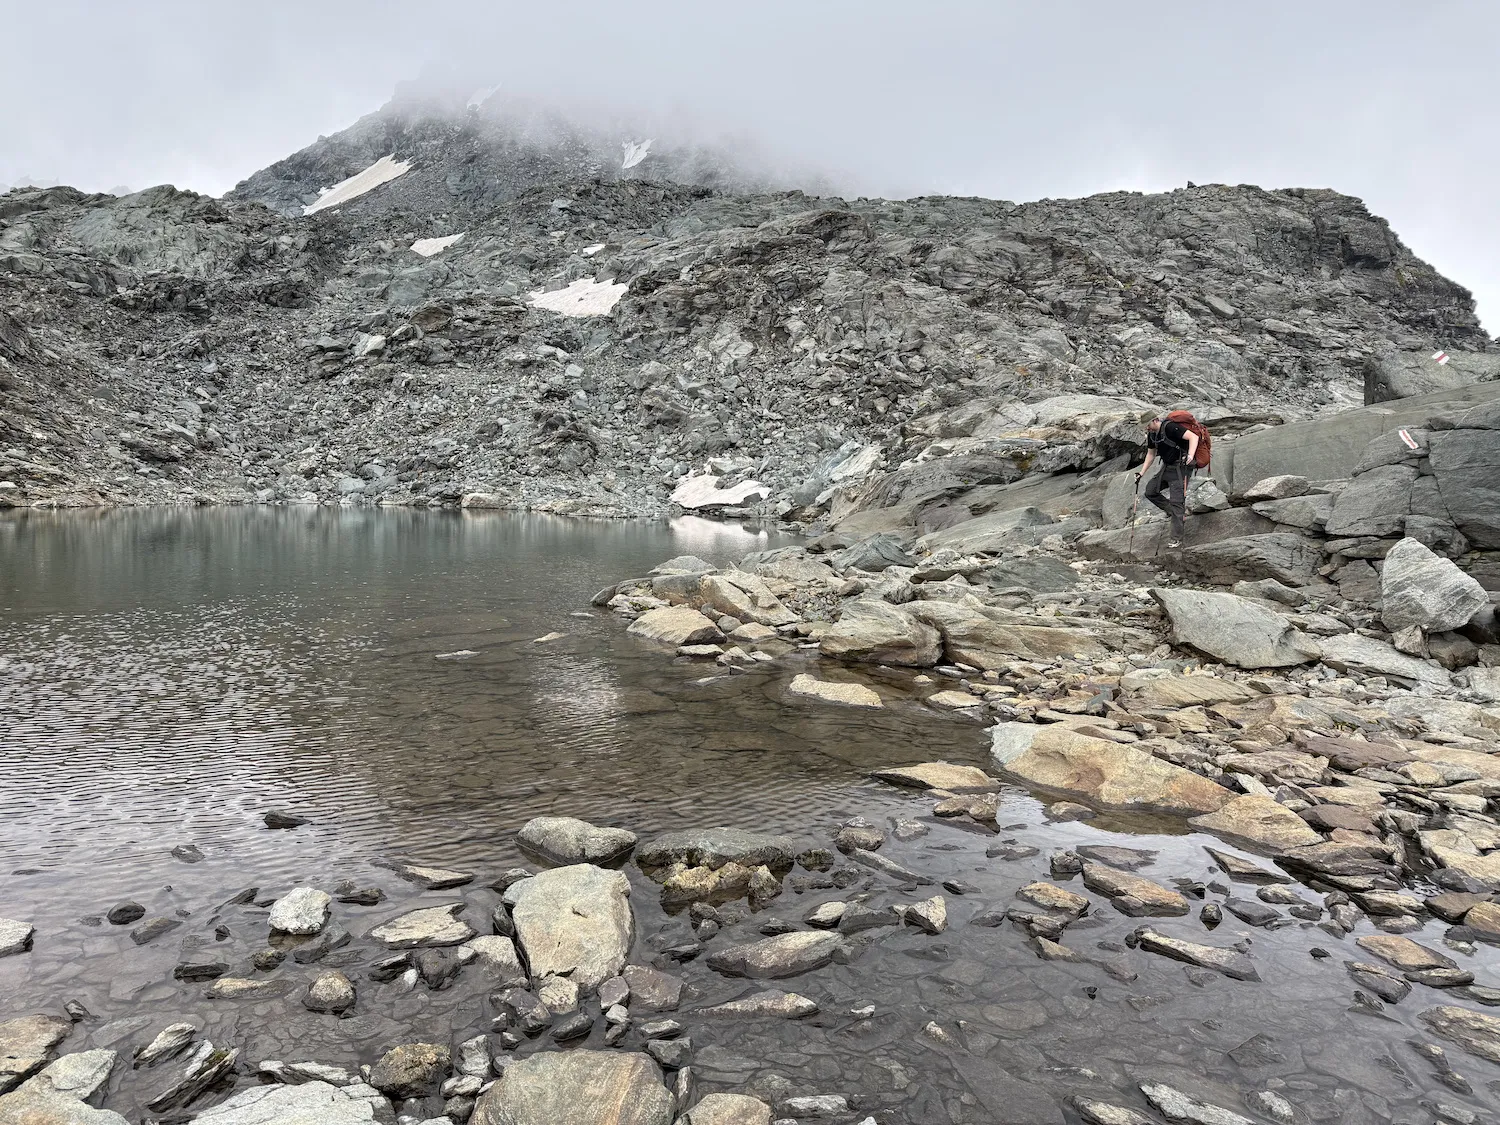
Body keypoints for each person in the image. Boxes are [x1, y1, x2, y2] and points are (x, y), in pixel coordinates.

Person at [1136, 415, 1199, 547]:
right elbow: (1151, 454)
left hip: (1180, 468)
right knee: (1150, 491)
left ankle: (1176, 539)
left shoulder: (1170, 427)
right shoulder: (1152, 435)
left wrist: (1191, 455)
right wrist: (1141, 473)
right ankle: (1175, 512)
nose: (1147, 428)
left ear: (1155, 420)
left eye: (1148, 424)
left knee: (1177, 502)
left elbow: (1193, 437)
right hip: (1167, 467)